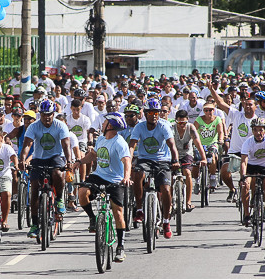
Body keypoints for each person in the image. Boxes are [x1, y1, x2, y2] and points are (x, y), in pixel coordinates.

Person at [74, 113, 132, 262]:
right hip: (99, 175)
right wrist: (80, 162)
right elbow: (93, 155)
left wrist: (126, 177)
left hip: (115, 180)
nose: (102, 123)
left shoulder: (119, 143)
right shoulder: (100, 139)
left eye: (105, 121)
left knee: (118, 213)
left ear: (110, 126)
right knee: (82, 192)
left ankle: (120, 247)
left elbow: (126, 161)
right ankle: (93, 219)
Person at [17, 100, 74, 238]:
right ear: (39, 114)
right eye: (43, 114)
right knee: (35, 189)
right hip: (39, 158)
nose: (46, 117)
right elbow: (27, 145)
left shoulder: (60, 126)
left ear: (53, 114)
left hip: (56, 157)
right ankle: (35, 225)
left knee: (57, 173)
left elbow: (66, 145)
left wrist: (69, 161)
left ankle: (59, 199)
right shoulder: (33, 127)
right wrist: (22, 160)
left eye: (49, 114)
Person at [129, 98, 181, 239]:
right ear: (145, 114)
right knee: (138, 174)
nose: (154, 115)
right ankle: (139, 210)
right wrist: (128, 160)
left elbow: (172, 145)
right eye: (151, 112)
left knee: (165, 188)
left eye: (156, 112)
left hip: (162, 161)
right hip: (145, 160)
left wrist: (175, 160)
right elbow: (132, 146)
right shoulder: (139, 127)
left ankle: (165, 221)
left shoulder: (164, 126)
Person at [208, 79, 257, 202]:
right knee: (224, 172)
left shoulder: (258, 121)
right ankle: (232, 190)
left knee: (249, 179)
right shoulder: (236, 114)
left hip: (250, 154)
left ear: (256, 106)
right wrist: (211, 89)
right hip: (235, 152)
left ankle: (254, 200)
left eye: (250, 104)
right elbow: (220, 102)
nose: (247, 106)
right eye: (246, 104)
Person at [239, 117, 265, 226]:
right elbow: (244, 162)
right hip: (251, 165)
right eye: (255, 130)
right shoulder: (248, 142)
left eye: (260, 130)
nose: (258, 133)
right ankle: (246, 215)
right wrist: (243, 176)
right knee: (245, 185)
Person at [172, 110, 207, 211]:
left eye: (184, 123)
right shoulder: (171, 128)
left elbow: (198, 143)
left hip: (187, 154)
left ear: (187, 120)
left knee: (187, 172)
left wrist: (203, 158)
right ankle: (169, 202)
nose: (182, 125)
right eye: (179, 123)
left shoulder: (190, 128)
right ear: (176, 121)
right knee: (169, 175)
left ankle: (188, 201)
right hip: (173, 154)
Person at [194, 102, 225, 190]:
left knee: (212, 157)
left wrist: (221, 140)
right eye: (206, 110)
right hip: (200, 144)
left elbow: (220, 132)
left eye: (210, 110)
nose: (208, 112)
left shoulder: (217, 119)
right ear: (204, 111)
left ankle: (212, 177)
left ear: (214, 110)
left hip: (212, 143)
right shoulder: (199, 119)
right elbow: (193, 131)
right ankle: (196, 181)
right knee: (196, 161)